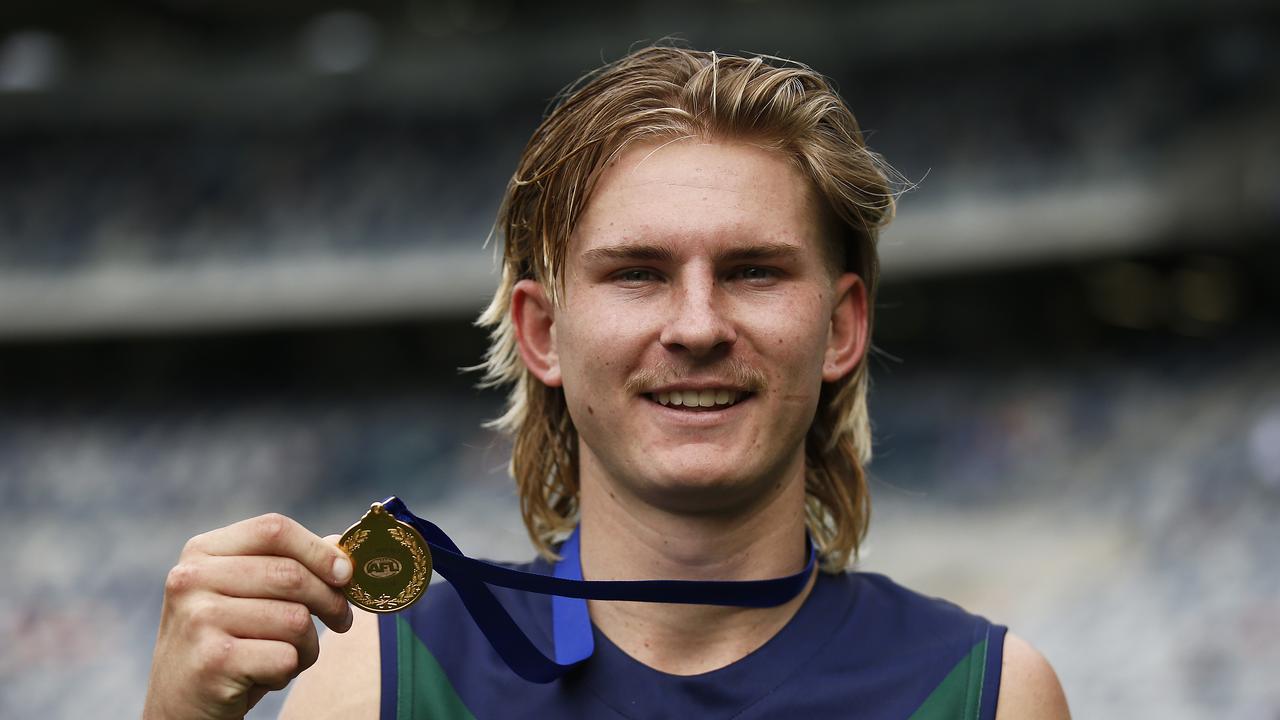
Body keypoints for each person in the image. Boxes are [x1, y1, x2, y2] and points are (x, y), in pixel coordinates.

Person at [144, 45, 1070, 719]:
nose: (698, 327)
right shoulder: (385, 676)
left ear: (843, 327)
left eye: (754, 270)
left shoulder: (986, 694)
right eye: (637, 273)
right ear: (543, 334)